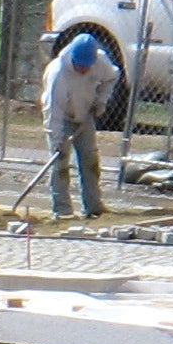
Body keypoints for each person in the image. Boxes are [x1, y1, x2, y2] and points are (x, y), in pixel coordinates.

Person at [41, 33, 121, 221]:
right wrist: (57, 139)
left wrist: (100, 100)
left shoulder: (100, 61)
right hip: (61, 118)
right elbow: (54, 110)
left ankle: (93, 207)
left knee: (90, 160)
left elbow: (112, 77)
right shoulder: (58, 72)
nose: (84, 70)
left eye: (87, 66)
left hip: (85, 116)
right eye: (80, 66)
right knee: (60, 164)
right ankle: (62, 210)